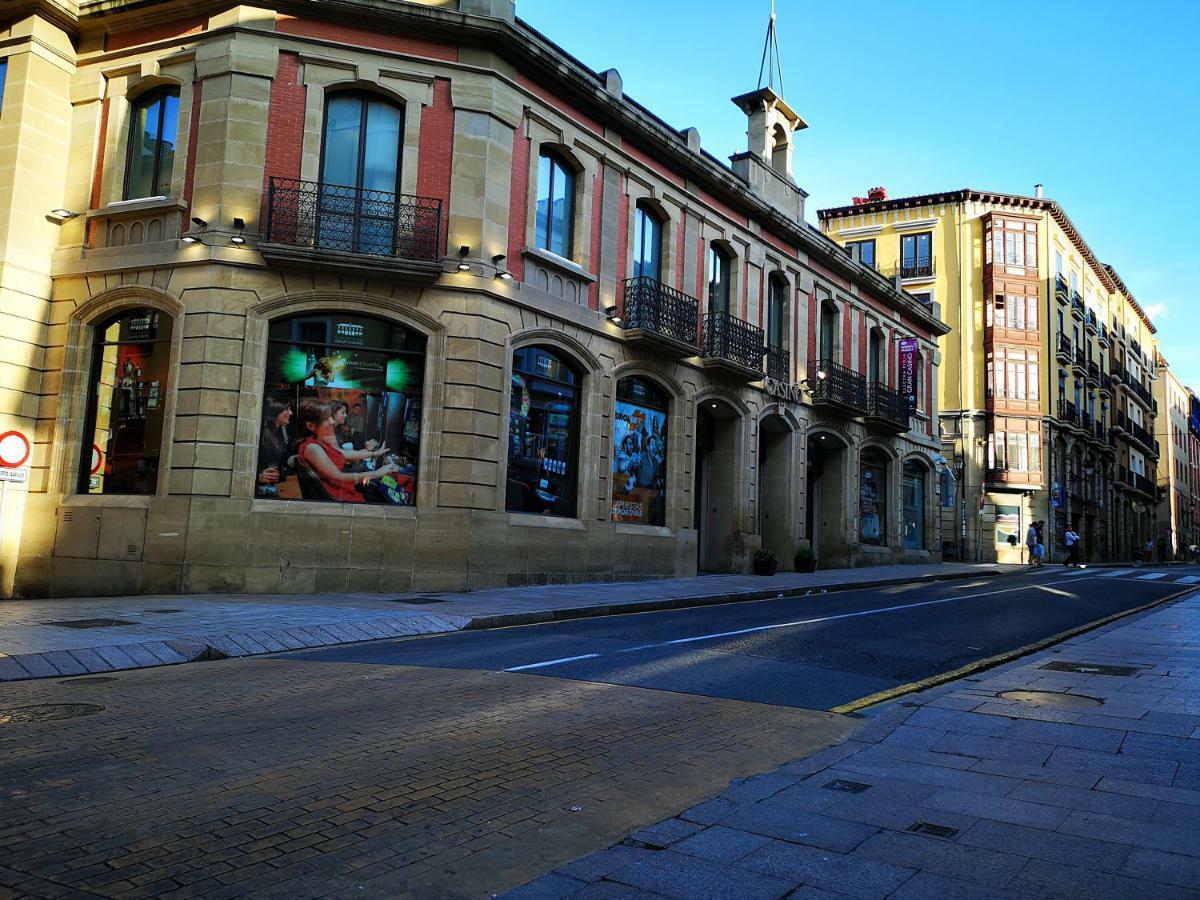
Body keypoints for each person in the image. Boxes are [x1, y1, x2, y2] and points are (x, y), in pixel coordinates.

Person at [295, 399, 396, 502]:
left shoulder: (319, 441)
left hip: (342, 490)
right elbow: (339, 476)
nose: (332, 421)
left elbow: (342, 453)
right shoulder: (312, 447)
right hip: (339, 496)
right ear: (310, 426)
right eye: (326, 418)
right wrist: (377, 473)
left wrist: (374, 453)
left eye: (330, 416)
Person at [256, 399, 292, 497]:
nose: (291, 413)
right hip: (258, 491)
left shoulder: (281, 434)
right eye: (287, 409)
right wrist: (258, 476)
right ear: (276, 410)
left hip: (271, 488)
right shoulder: (261, 434)